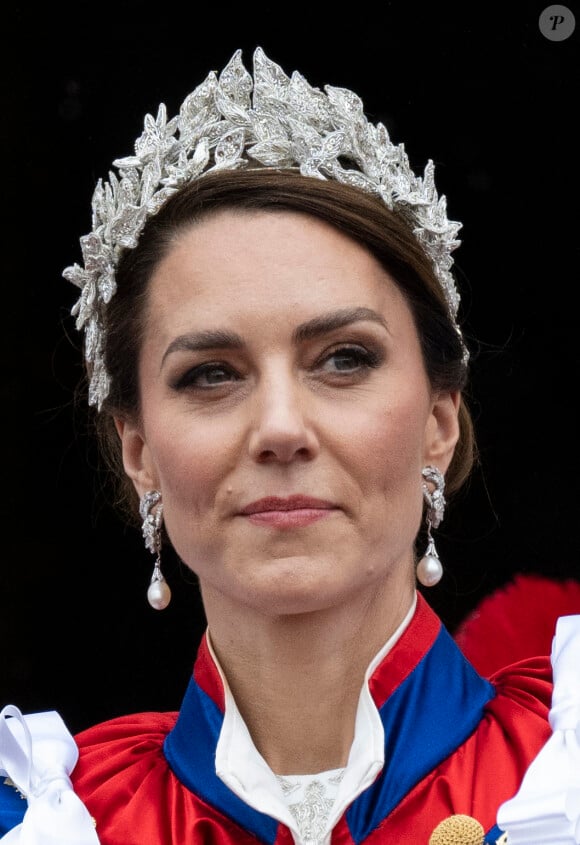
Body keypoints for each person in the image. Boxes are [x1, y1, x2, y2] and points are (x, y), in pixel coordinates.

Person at [1, 46, 578, 845]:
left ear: (440, 421)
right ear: (138, 449)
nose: (279, 428)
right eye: (210, 374)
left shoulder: (562, 771)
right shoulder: (48, 820)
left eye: (344, 358)